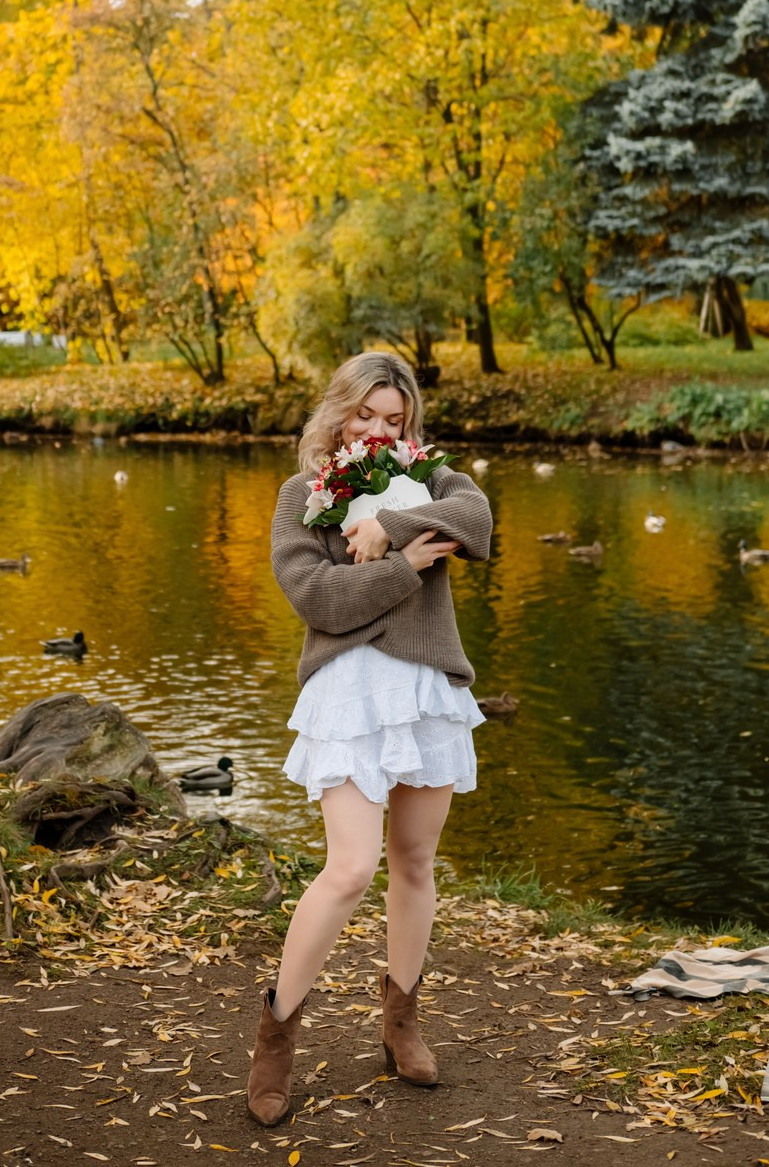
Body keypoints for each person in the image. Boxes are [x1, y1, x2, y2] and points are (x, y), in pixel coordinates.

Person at [246, 350, 493, 1126]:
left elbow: (478, 521)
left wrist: (387, 527)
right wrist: (407, 566)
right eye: (367, 416)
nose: (381, 431)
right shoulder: (301, 496)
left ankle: (401, 1022)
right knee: (350, 867)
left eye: (396, 420)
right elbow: (318, 597)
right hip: (348, 691)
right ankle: (277, 1036)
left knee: (414, 859)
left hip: (426, 687)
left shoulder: (435, 481)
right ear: (339, 412)